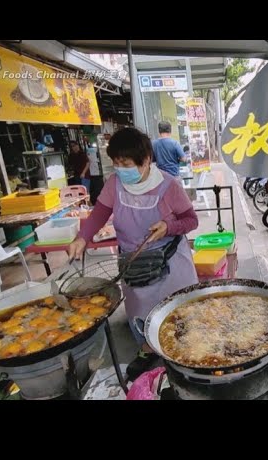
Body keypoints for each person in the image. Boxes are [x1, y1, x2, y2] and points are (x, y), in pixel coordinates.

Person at [68, 127, 199, 379]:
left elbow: (190, 220)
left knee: (179, 314)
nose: (120, 168)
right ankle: (148, 350)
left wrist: (168, 226)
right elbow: (99, 213)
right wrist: (82, 238)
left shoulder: (168, 185)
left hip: (170, 261)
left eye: (126, 163)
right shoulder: (114, 184)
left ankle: (185, 357)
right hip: (134, 262)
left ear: (146, 160)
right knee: (142, 314)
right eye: (116, 163)